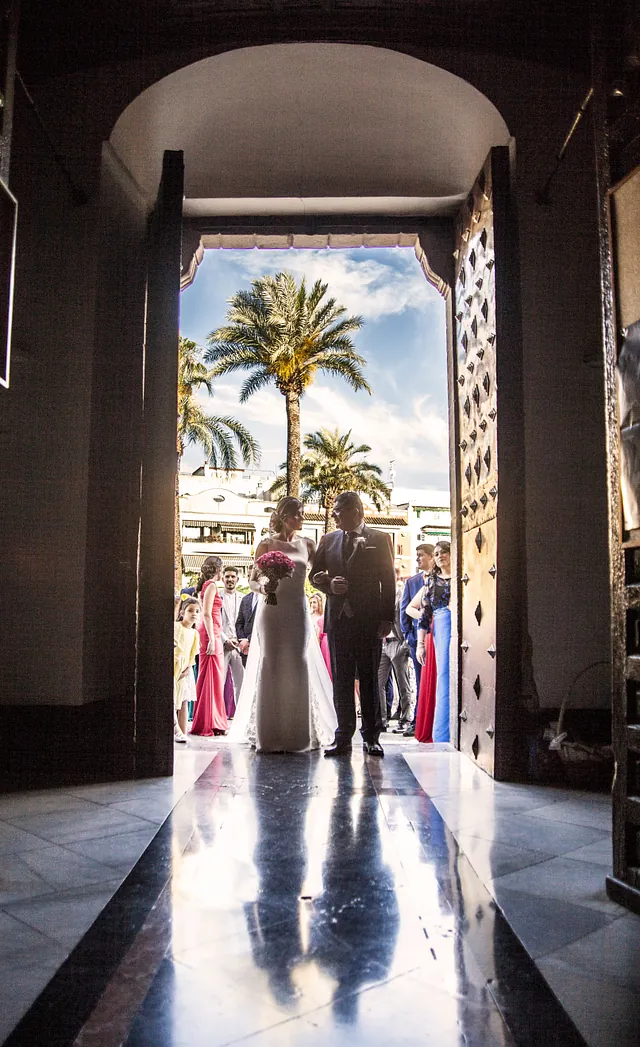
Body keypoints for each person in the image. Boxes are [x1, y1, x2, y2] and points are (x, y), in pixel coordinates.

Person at [229, 497, 337, 752]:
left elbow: (318, 573)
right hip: (272, 609)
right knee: (272, 663)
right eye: (298, 514)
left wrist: (328, 581)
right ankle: (271, 735)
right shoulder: (265, 544)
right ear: (285, 516)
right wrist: (263, 587)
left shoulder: (308, 544)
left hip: (297, 609)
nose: (302, 518)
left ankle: (298, 735)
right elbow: (253, 581)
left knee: (298, 662)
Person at [311, 490, 395, 758]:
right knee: (342, 682)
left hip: (369, 622)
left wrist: (387, 618)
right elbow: (314, 575)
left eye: (338, 511)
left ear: (355, 512)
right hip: (338, 621)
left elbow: (389, 581)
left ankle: (372, 737)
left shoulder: (379, 539)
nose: (333, 516)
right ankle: (343, 737)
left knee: (370, 681)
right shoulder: (328, 539)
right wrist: (329, 585)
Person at [406, 540, 452, 743]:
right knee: (442, 677)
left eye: (445, 552)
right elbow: (422, 613)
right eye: (437, 553)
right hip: (440, 630)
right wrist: (421, 643)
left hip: (462, 630)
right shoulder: (432, 581)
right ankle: (442, 731)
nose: (441, 556)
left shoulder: (463, 578)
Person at [190, 555, 228, 737]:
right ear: (218, 569)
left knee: (208, 676)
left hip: (212, 632)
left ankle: (210, 720)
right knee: (212, 676)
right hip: (211, 633)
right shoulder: (211, 586)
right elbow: (206, 613)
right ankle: (211, 722)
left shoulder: (206, 586)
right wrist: (212, 639)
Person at [400, 543, 435, 737]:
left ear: (431, 557)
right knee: (421, 681)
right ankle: (417, 720)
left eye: (421, 555)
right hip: (417, 638)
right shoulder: (412, 582)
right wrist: (409, 636)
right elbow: (404, 609)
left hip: (438, 636)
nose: (417, 559)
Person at [378, 579, 414, 733]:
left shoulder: (400, 595)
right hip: (382, 644)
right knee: (378, 683)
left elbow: (408, 618)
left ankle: (405, 719)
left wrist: (405, 644)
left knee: (402, 684)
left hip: (397, 643)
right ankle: (381, 720)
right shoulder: (376, 597)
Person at [173, 597, 200, 743]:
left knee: (183, 700)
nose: (194, 614)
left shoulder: (195, 634)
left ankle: (183, 732)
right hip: (174, 668)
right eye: (190, 610)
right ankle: (176, 730)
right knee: (172, 699)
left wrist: (188, 669)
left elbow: (192, 655)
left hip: (184, 670)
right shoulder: (178, 627)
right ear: (183, 613)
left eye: (197, 611)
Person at [220, 566, 245, 716]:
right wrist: (225, 639)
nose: (230, 579)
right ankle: (219, 719)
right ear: (222, 578)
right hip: (222, 645)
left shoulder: (244, 598)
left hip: (239, 646)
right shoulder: (216, 597)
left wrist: (240, 639)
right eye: (227, 576)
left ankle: (240, 718)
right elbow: (215, 622)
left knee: (241, 684)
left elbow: (245, 622)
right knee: (219, 683)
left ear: (237, 579)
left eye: (232, 577)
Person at [309, 592, 332, 677]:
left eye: (314, 602)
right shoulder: (309, 617)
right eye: (311, 602)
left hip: (321, 644)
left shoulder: (322, 617)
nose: (312, 604)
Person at [235, 588, 259, 665]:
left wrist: (249, 640)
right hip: (245, 650)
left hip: (260, 647)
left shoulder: (267, 599)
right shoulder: (245, 599)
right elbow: (239, 623)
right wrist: (242, 641)